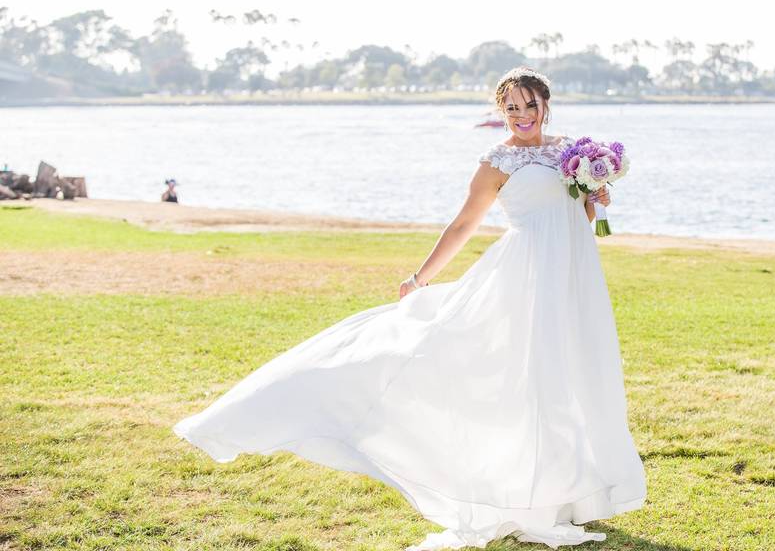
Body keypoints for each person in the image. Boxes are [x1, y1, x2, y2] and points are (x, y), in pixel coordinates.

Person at [172, 67, 645, 550]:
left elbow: (576, 216)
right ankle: (522, 495)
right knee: (526, 376)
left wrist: (595, 198)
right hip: (524, 275)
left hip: (573, 274)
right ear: (501, 111)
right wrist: (421, 277)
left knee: (569, 373)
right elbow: (463, 225)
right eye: (511, 107)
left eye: (530, 105)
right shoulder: (496, 161)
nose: (522, 115)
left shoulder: (573, 153)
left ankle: (562, 494)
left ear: (547, 104)